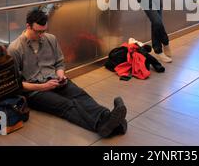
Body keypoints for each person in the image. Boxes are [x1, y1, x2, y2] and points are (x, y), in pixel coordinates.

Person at [7, 9, 127, 137]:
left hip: (55, 80)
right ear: (28, 26)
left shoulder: (51, 39)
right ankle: (109, 125)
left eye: (44, 31)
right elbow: (16, 84)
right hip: (35, 91)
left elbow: (59, 63)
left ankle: (107, 117)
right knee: (66, 105)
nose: (42, 35)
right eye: (38, 32)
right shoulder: (15, 49)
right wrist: (43, 87)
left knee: (80, 95)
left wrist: (60, 74)